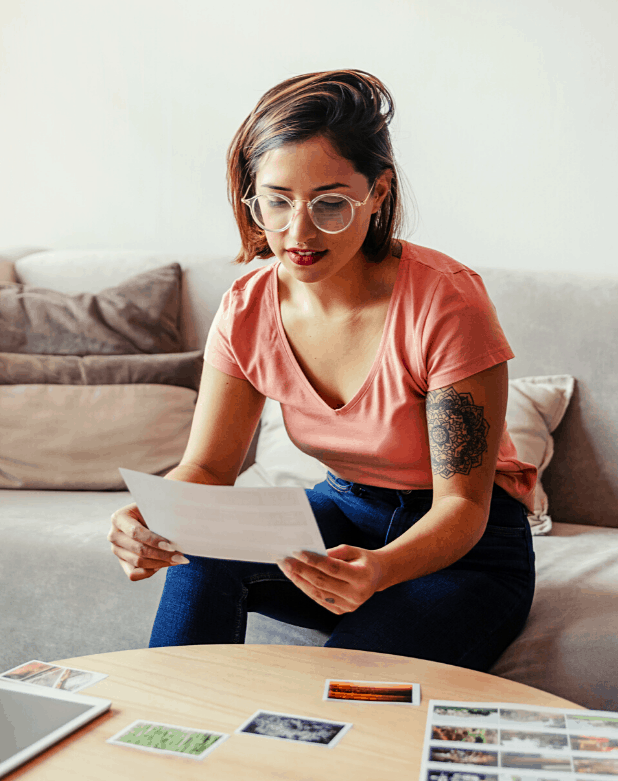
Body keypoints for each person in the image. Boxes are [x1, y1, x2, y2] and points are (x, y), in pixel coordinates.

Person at [108, 69, 537, 671]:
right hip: (344, 513)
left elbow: (462, 507)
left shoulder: (447, 303)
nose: (299, 231)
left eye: (331, 202)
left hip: (464, 551)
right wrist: (153, 518)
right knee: (199, 549)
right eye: (277, 202)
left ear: (378, 192)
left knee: (343, 688)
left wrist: (382, 569)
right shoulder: (247, 307)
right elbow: (206, 467)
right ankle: (164, 732)